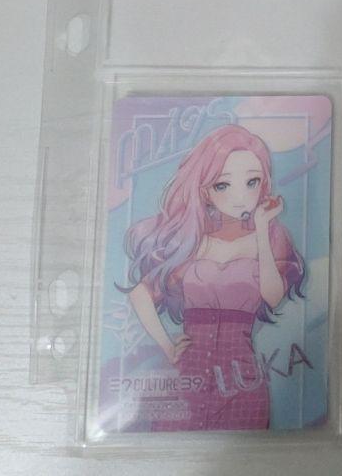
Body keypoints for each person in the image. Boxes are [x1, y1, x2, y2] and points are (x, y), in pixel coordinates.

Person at [119, 124, 305, 430]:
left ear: (263, 184)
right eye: (223, 185)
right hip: (186, 377)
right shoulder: (191, 241)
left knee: (244, 452)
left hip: (241, 380)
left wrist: (262, 229)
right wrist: (168, 346)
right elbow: (140, 292)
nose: (240, 197)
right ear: (204, 189)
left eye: (252, 182)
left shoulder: (271, 236)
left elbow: (272, 296)